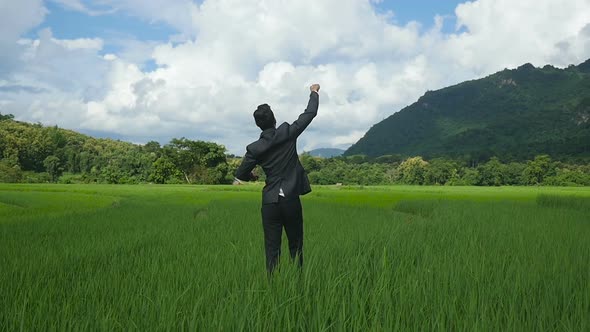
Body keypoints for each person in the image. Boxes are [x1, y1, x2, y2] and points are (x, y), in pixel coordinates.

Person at [234, 84, 320, 274]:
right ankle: (298, 283)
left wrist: (251, 175)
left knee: (272, 250)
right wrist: (313, 92)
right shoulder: (287, 133)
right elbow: (310, 113)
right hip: (290, 199)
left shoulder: (255, 148)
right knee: (296, 247)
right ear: (274, 120)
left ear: (258, 124)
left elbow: (240, 174)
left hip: (270, 202)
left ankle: (274, 287)